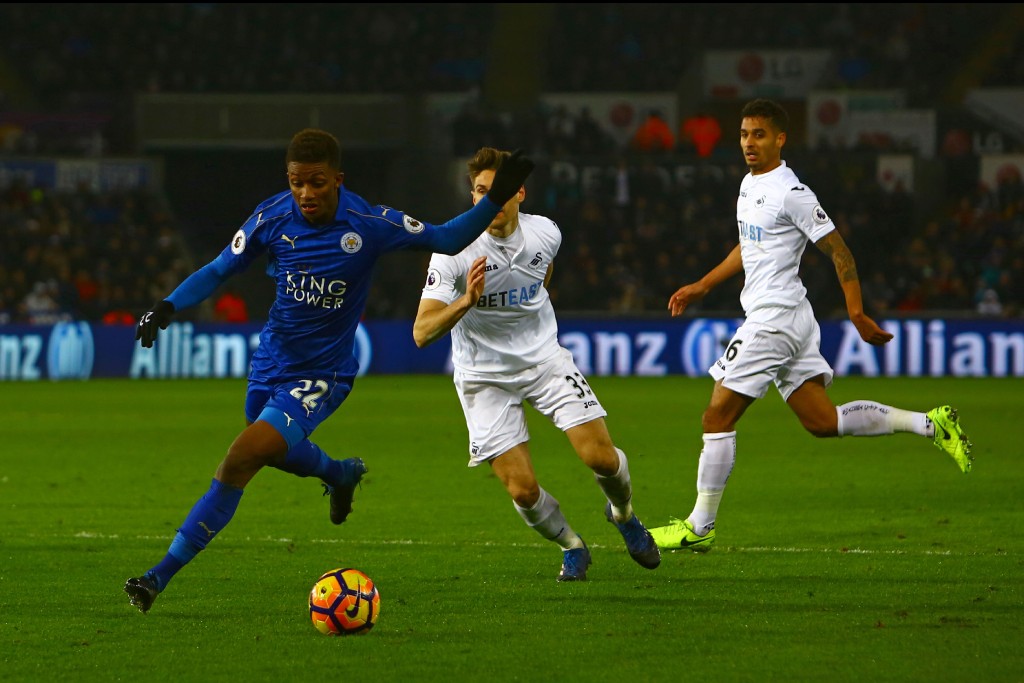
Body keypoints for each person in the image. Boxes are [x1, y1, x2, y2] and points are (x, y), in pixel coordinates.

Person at [124, 129, 535, 612]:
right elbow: (218, 269)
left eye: (316, 183)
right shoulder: (271, 217)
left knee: (241, 458)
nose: (306, 194)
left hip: (324, 374)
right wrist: (167, 306)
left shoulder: (369, 222)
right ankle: (339, 474)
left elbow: (445, 237)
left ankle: (158, 576)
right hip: (270, 362)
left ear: (337, 180)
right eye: (297, 182)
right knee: (270, 447)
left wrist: (496, 198)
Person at [649, 99, 973, 553]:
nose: (748, 143)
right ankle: (931, 425)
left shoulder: (791, 192)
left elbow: (839, 250)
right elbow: (748, 245)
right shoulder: (748, 185)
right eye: (743, 134)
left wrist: (857, 312)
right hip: (792, 318)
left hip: (775, 320)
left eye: (759, 135)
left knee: (716, 416)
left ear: (780, 139)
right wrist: (703, 284)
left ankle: (699, 525)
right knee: (822, 421)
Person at [412, 147, 660, 582]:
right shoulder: (453, 250)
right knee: (523, 490)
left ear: (520, 193)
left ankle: (623, 515)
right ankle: (572, 545)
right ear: (472, 197)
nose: (491, 201)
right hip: (483, 377)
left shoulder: (546, 234)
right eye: (481, 192)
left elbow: (541, 278)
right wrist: (466, 302)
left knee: (601, 458)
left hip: (545, 360)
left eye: (500, 192)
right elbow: (421, 331)